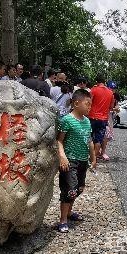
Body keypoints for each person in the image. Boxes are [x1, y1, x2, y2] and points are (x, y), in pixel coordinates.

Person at [56, 88, 96, 233]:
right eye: (88, 104)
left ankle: (69, 212)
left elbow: (89, 140)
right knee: (69, 190)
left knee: (79, 188)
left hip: (82, 160)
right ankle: (63, 220)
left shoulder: (87, 121)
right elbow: (59, 141)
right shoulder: (67, 120)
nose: (89, 107)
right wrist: (62, 156)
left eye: (91, 104)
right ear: (77, 103)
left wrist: (93, 157)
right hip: (70, 160)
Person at [89, 75, 115, 161]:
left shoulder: (94, 90)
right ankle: (93, 159)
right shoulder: (110, 93)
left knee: (89, 137)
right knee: (99, 140)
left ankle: (87, 156)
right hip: (103, 119)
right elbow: (111, 107)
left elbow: (89, 102)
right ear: (104, 82)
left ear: (96, 82)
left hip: (92, 117)